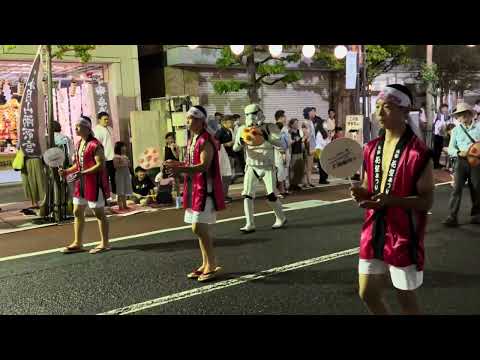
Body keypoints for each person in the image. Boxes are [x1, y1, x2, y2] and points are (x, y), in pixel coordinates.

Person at [350, 84, 434, 315]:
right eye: (377, 107)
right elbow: (368, 187)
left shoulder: (418, 153)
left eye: (387, 107)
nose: (379, 113)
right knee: (367, 293)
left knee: (405, 299)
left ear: (405, 111)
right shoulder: (370, 148)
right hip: (373, 229)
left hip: (403, 234)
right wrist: (361, 193)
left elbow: (426, 202)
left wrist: (391, 201)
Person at [165, 105, 225, 282]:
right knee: (200, 229)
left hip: (205, 190)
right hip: (194, 189)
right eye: (188, 118)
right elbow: (191, 161)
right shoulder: (193, 139)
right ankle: (206, 263)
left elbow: (204, 166)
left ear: (201, 121)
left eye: (191, 118)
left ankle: (212, 264)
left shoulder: (206, 140)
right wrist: (178, 164)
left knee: (198, 227)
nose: (188, 121)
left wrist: (181, 169)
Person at [59, 118, 111, 254]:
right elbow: (78, 164)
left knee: (99, 213)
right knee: (77, 211)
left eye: (78, 127)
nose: (75, 129)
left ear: (87, 129)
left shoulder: (95, 144)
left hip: (94, 183)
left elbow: (100, 165)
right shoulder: (78, 144)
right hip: (81, 183)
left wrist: (82, 173)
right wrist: (67, 171)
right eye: (75, 126)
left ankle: (105, 243)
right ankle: (78, 242)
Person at [233, 104, 287, 233]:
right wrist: (241, 141)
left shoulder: (269, 127)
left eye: (253, 113)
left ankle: (281, 217)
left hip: (267, 166)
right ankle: (249, 223)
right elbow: (235, 148)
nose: (250, 117)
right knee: (247, 195)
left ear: (259, 113)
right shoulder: (242, 129)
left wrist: (267, 136)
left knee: (271, 195)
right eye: (247, 114)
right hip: (251, 166)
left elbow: (282, 145)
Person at [443, 102, 480, 227]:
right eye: (459, 115)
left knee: (476, 188)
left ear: (470, 114)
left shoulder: (479, 128)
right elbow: (451, 148)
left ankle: (476, 215)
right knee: (456, 189)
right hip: (461, 161)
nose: (462, 117)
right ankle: (452, 216)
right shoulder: (455, 131)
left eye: (464, 114)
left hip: (476, 161)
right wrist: (459, 152)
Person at [94, 112, 116, 199]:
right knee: (104, 179)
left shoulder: (110, 128)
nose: (107, 121)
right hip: (104, 159)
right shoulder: (97, 130)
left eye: (107, 119)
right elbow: (96, 146)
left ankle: (115, 195)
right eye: (105, 119)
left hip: (112, 158)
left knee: (114, 178)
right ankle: (106, 198)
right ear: (99, 120)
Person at [113, 141, 133, 211]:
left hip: (126, 174)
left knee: (125, 189)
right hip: (120, 175)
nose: (125, 148)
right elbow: (115, 166)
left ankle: (125, 205)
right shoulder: (116, 157)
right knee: (120, 190)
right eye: (123, 146)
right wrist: (124, 164)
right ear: (119, 148)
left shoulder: (125, 156)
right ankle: (120, 206)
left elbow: (129, 166)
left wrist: (128, 162)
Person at [432, 104, 452, 169]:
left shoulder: (448, 116)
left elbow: (449, 124)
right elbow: (435, 124)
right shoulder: (437, 116)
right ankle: (435, 164)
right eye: (444, 108)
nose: (446, 110)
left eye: (447, 108)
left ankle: (438, 163)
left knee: (440, 150)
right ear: (441, 109)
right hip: (437, 135)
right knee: (436, 150)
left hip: (444, 136)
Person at [302, 107, 318, 187]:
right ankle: (307, 181)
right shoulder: (305, 122)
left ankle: (307, 181)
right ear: (308, 113)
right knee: (308, 165)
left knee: (309, 165)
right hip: (308, 146)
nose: (314, 113)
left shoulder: (310, 121)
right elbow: (306, 136)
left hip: (311, 145)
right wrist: (308, 147)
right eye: (312, 112)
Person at [288, 118, 305, 191]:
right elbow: (289, 142)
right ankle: (292, 184)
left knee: (299, 169)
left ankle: (297, 184)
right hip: (293, 153)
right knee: (293, 169)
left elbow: (302, 140)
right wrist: (295, 140)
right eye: (295, 123)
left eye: (297, 123)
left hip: (300, 151)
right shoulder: (289, 132)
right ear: (291, 125)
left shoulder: (299, 131)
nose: (297, 125)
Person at [315, 120, 330, 184]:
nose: (326, 124)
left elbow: (328, 142)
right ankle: (322, 179)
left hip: (325, 150)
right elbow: (321, 143)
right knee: (321, 165)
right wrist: (328, 138)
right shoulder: (319, 133)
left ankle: (324, 178)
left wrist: (329, 137)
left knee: (325, 165)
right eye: (325, 123)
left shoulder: (325, 132)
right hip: (319, 150)